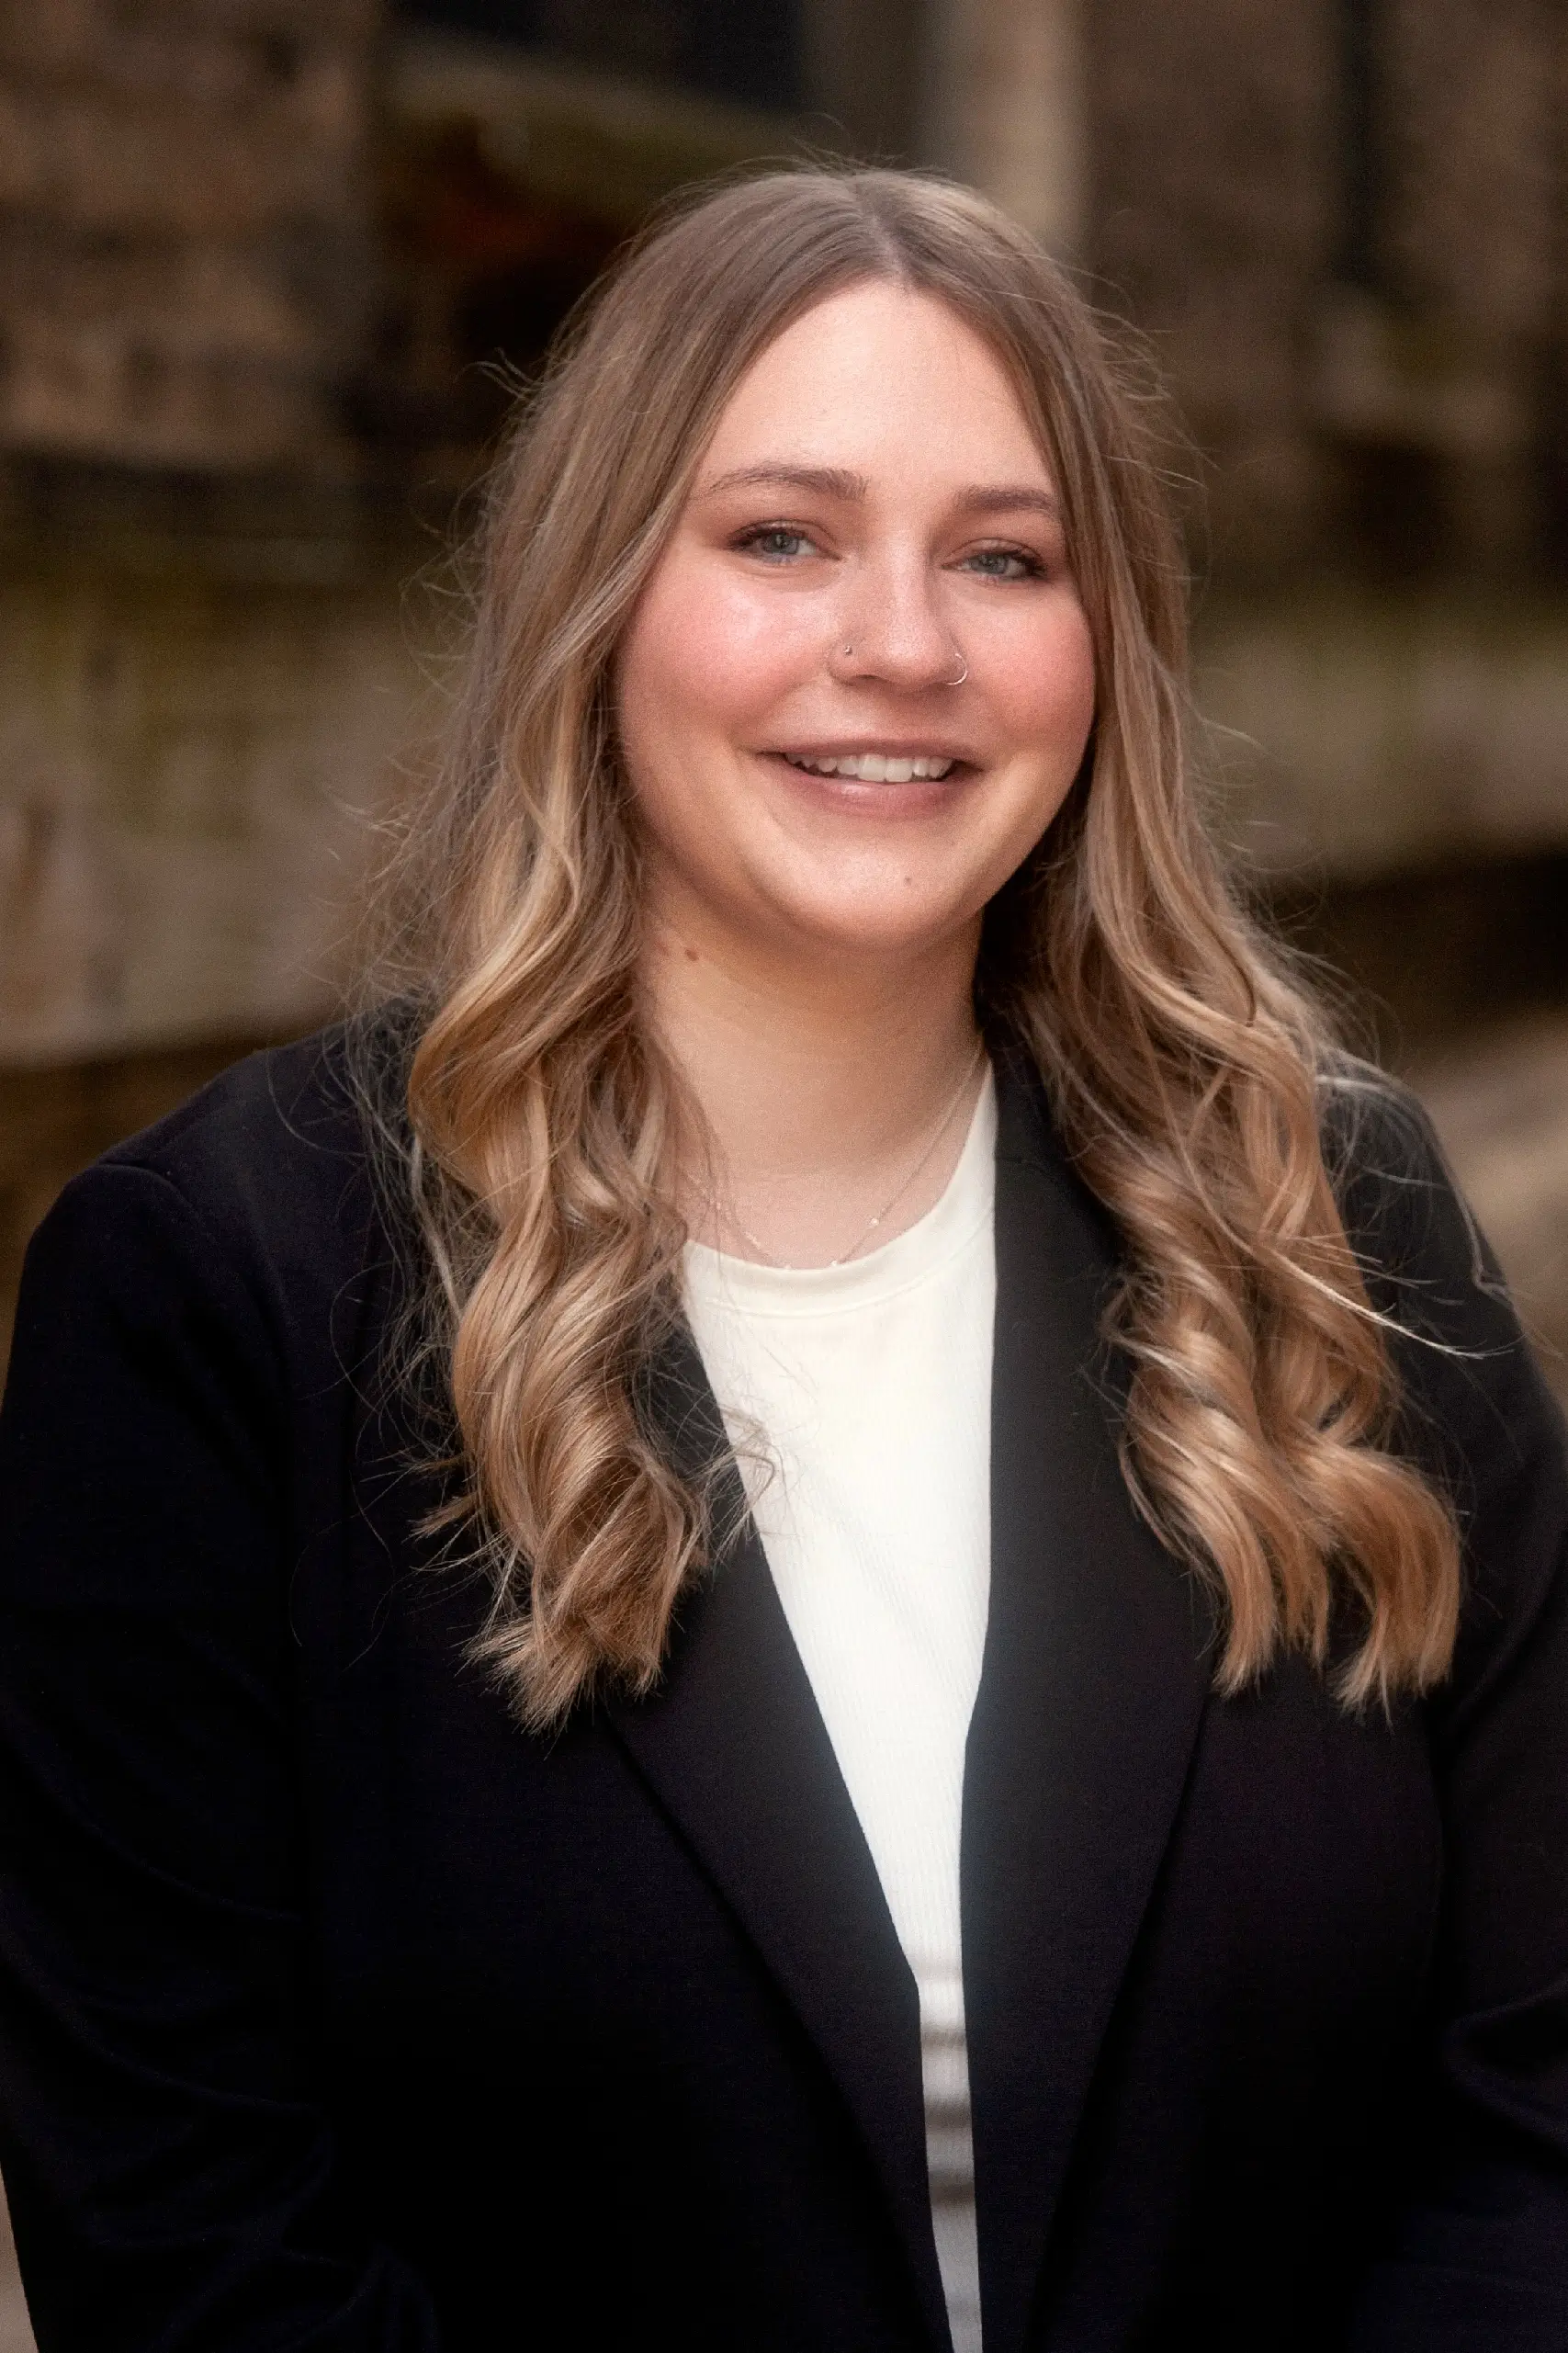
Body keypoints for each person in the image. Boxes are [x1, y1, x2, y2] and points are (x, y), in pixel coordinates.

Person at [1, 168, 1564, 2353]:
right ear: (598, 594)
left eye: (1003, 556)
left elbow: (1536, 2110)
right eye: (781, 536)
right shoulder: (216, 1296)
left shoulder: (1336, 1229)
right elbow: (189, 2241)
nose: (903, 642)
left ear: (1103, 650)